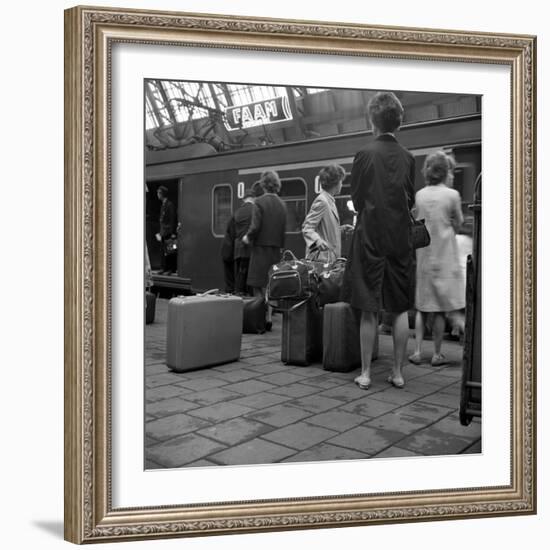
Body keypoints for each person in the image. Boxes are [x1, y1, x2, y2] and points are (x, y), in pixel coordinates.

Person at [342, 91, 415, 390]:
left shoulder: (363, 154)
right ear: (399, 122)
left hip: (370, 235)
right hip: (399, 237)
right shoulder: (409, 157)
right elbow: (409, 200)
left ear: (372, 120)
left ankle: (366, 373)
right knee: (398, 307)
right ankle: (397, 372)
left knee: (369, 306)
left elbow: (357, 198)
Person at [409, 151, 465, 366]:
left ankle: (416, 351)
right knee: (440, 308)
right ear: (445, 171)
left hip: (424, 254)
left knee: (423, 307)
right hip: (443, 255)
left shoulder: (420, 195)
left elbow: (416, 220)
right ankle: (436, 354)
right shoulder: (452, 195)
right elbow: (458, 223)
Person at [242, 171, 287, 330]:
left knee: (257, 284)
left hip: (260, 248)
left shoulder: (259, 202)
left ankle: (258, 317)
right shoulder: (282, 204)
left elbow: (255, 226)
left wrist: (247, 237)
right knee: (270, 285)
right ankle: (268, 317)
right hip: (275, 250)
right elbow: (283, 230)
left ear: (263, 184)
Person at [302, 164, 345, 264]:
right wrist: (317, 241)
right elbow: (307, 227)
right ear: (335, 182)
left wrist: (340, 229)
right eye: (341, 181)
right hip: (322, 261)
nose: (342, 184)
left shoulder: (329, 201)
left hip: (329, 259)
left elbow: (325, 229)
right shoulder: (322, 201)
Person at [233, 188, 262, 294]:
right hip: (249, 248)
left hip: (238, 249)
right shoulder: (254, 209)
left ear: (244, 199)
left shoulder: (238, 212)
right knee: (249, 276)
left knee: (240, 274)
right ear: (253, 198)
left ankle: (239, 296)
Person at [155, 185, 177, 274]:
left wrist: (172, 233)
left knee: (171, 251)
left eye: (158, 193)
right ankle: (164, 268)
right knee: (164, 251)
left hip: (169, 232)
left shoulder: (169, 205)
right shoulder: (163, 205)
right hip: (164, 232)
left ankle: (171, 269)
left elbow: (172, 219)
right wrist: (160, 232)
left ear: (162, 194)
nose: (157, 194)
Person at [220, 215, 236, 293]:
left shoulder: (231, 221)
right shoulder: (234, 223)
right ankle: (230, 293)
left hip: (227, 252)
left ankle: (230, 292)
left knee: (229, 278)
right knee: (230, 278)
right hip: (229, 252)